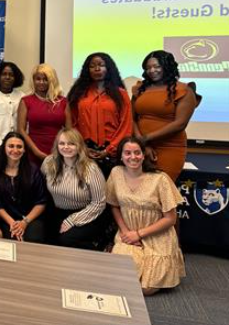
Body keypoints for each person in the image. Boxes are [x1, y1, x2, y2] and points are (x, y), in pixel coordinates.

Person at [106, 137, 185, 295]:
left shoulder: (160, 179)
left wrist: (139, 234)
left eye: (137, 153)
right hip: (128, 233)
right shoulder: (116, 173)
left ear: (143, 155)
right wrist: (125, 232)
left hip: (157, 236)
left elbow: (170, 219)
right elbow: (114, 205)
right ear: (121, 156)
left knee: (146, 289)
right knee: (123, 282)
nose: (133, 157)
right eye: (127, 153)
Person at [132, 50, 197, 181]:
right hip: (140, 147)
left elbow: (180, 124)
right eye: (148, 67)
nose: (152, 70)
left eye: (157, 66)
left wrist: (146, 139)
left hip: (169, 148)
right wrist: (142, 143)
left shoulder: (184, 90)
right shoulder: (140, 89)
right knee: (137, 191)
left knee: (160, 192)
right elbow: (131, 118)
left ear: (167, 67)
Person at [67, 52, 132, 177]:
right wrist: (81, 147)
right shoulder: (78, 93)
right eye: (92, 66)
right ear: (87, 70)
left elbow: (126, 125)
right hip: (84, 151)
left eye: (101, 65)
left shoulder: (120, 94)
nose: (97, 68)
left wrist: (109, 150)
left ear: (108, 68)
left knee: (111, 191)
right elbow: (72, 123)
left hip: (113, 151)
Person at [41, 128, 107, 250]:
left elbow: (99, 203)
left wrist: (73, 220)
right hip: (57, 212)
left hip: (87, 214)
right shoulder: (49, 163)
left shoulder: (91, 169)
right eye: (62, 143)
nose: (66, 147)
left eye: (71, 143)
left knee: (66, 239)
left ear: (79, 146)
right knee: (46, 239)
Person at [0, 132, 48, 242]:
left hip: (31, 218)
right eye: (11, 146)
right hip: (7, 218)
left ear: (24, 150)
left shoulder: (34, 171)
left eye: (19, 147)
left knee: (33, 239)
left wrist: (24, 222)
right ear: (4, 148)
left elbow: (41, 202)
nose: (15, 150)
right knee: (11, 238)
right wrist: (12, 223)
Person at [18, 64, 70, 168]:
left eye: (45, 79)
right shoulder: (26, 101)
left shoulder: (63, 101)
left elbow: (69, 131)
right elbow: (21, 130)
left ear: (51, 80)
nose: (41, 82)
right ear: (33, 80)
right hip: (33, 151)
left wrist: (62, 150)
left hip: (59, 151)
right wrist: (36, 152)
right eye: (38, 79)